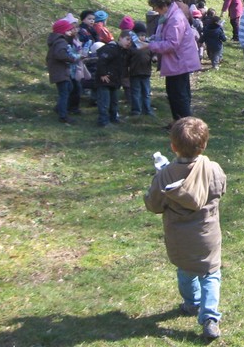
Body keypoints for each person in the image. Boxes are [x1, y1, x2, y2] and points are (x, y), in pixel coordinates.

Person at [143, 117, 227, 340]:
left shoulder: (164, 176)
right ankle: (210, 317)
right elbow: (220, 190)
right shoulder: (214, 169)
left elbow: (154, 205)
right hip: (207, 236)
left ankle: (192, 304)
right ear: (204, 145)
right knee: (210, 274)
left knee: (186, 270)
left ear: (173, 146)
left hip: (179, 237)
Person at [145, 0, 201, 129]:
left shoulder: (175, 18)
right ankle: (178, 121)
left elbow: (172, 44)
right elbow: (165, 36)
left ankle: (187, 127)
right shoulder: (169, 15)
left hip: (180, 61)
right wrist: (151, 40)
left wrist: (150, 46)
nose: (156, 11)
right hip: (176, 62)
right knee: (173, 93)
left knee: (179, 95)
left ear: (164, 5)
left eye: (156, 7)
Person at [95, 30, 132, 127]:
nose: (129, 42)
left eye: (131, 41)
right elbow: (102, 61)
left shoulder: (124, 51)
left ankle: (114, 118)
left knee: (114, 101)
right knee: (104, 102)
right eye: (127, 39)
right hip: (105, 80)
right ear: (120, 38)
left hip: (115, 80)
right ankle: (103, 121)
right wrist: (102, 74)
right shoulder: (111, 49)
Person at [47, 18, 80, 124]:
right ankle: (63, 115)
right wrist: (72, 59)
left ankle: (59, 108)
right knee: (64, 93)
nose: (71, 31)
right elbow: (60, 54)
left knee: (69, 88)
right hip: (60, 71)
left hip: (59, 70)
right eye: (69, 30)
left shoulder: (58, 40)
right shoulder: (61, 41)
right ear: (63, 31)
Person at [127, 22, 154, 116]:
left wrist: (155, 58)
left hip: (146, 73)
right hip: (135, 73)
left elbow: (153, 56)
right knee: (135, 92)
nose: (142, 37)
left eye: (143, 35)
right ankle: (136, 110)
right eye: (139, 35)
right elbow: (127, 59)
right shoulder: (131, 47)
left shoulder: (148, 46)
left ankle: (147, 110)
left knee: (146, 92)